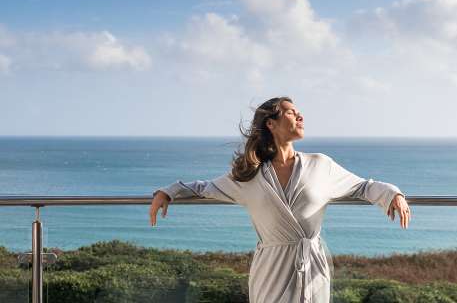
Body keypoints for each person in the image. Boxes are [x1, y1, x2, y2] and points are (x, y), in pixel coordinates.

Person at [149, 96, 411, 303]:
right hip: (270, 269)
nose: (300, 115)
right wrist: (168, 192)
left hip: (312, 266)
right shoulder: (249, 176)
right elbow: (202, 187)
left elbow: (363, 187)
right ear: (270, 124)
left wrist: (392, 194)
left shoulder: (321, 165)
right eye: (290, 111)